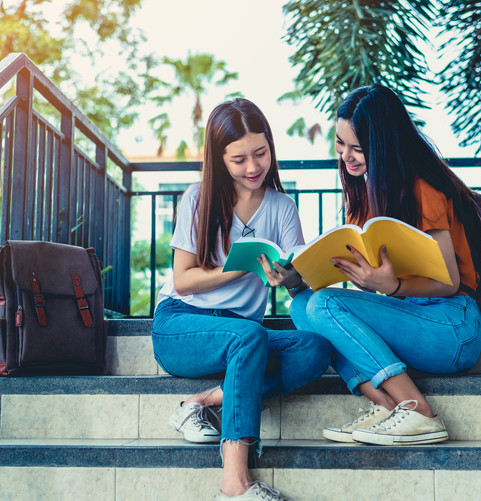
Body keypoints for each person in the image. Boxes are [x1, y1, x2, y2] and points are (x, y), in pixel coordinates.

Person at [152, 98, 331, 500]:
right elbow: (183, 281)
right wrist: (243, 266)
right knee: (249, 336)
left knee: (315, 348)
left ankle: (200, 403)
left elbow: (295, 277)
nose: (253, 167)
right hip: (182, 325)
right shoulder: (198, 198)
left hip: (241, 336)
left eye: (261, 153)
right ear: (220, 159)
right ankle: (234, 482)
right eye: (239, 159)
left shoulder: (283, 207)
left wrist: (289, 275)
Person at [289, 84, 481, 446]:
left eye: (358, 148)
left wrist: (392, 286)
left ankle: (419, 411)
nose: (347, 156)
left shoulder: (424, 190)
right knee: (302, 303)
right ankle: (388, 406)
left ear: (382, 145)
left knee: (325, 303)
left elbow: (450, 283)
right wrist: (297, 276)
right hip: (406, 318)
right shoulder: (364, 198)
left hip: (452, 323)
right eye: (340, 144)